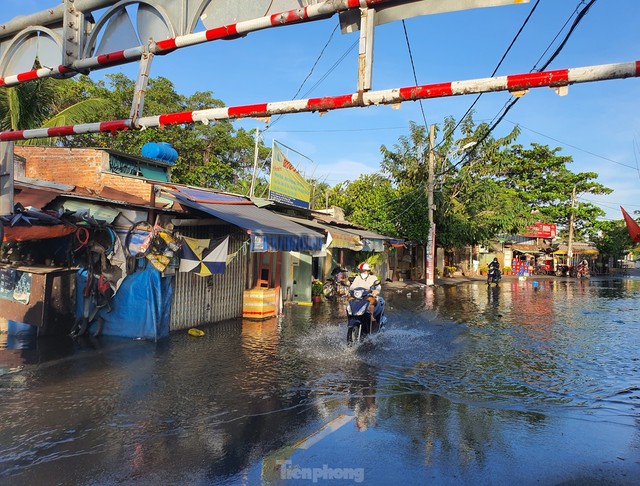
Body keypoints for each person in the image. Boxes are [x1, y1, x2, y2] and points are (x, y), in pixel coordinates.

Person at [350, 263, 384, 328]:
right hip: (359, 297)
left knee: (371, 301)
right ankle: (351, 315)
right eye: (361, 271)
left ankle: (371, 316)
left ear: (368, 271)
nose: (362, 272)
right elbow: (352, 287)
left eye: (363, 271)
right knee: (350, 300)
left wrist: (375, 291)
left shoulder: (373, 278)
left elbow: (378, 286)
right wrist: (349, 291)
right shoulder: (357, 278)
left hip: (369, 295)